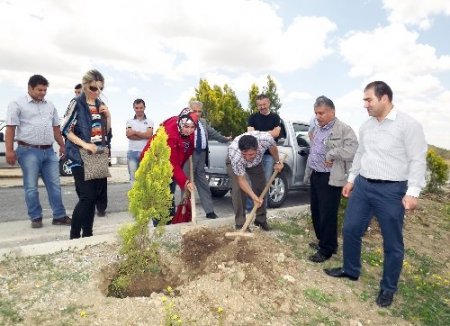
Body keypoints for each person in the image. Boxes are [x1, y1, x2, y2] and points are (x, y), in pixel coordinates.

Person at [324, 81, 427, 308]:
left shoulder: (408, 125)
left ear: (385, 98)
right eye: (364, 100)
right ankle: (351, 270)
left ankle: (388, 288)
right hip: (363, 186)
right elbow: (361, 153)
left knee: (392, 242)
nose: (365, 104)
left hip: (391, 191)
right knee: (350, 229)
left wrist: (413, 192)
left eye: (368, 99)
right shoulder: (366, 126)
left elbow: (418, 160)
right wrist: (351, 180)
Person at [5, 74, 71, 228]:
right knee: (31, 187)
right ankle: (36, 217)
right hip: (28, 151)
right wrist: (9, 150)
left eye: (45, 90)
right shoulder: (17, 104)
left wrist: (62, 144)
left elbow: (56, 127)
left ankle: (59, 216)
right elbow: (10, 128)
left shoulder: (50, 105)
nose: (42, 93)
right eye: (39, 90)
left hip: (49, 152)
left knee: (55, 185)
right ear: (29, 88)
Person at [304, 96, 358, 263]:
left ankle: (326, 250)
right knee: (317, 211)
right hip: (316, 174)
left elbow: (353, 149)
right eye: (316, 113)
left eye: (321, 113)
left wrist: (332, 154)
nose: (317, 116)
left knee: (328, 214)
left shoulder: (343, 129)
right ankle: (325, 242)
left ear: (332, 112)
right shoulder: (317, 127)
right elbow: (313, 140)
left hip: (330, 177)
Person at [61, 69, 112, 239]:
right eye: (93, 88)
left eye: (100, 89)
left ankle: (88, 235)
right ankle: (74, 237)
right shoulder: (76, 103)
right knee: (87, 197)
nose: (97, 92)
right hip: (79, 156)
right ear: (84, 86)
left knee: (93, 199)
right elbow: (65, 129)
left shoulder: (100, 106)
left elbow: (107, 134)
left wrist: (108, 117)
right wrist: (85, 145)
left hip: (97, 156)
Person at [140, 107, 197, 223]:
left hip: (170, 166)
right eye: (186, 127)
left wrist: (189, 151)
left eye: (192, 127)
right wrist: (185, 182)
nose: (189, 130)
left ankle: (169, 224)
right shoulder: (171, 136)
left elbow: (189, 147)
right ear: (181, 123)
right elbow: (173, 164)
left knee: (169, 197)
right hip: (155, 165)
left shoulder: (186, 124)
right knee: (160, 202)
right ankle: (160, 229)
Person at [226, 132, 284, 231]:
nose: (248, 158)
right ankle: (240, 223)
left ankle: (260, 220)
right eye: (245, 154)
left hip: (256, 163)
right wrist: (253, 197)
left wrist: (277, 162)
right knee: (238, 189)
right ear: (241, 150)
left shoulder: (266, 140)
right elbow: (241, 180)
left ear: (258, 148)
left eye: (251, 154)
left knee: (261, 188)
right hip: (235, 163)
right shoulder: (235, 154)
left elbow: (273, 148)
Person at [184, 100, 231, 219]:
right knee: (186, 185)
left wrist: (226, 139)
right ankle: (185, 213)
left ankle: (209, 211)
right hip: (189, 156)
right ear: (189, 110)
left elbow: (213, 134)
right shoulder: (184, 122)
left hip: (202, 156)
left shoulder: (203, 122)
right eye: (195, 111)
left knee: (203, 184)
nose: (197, 113)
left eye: (199, 111)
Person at [73, 83, 110, 216]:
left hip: (98, 147)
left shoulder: (100, 105)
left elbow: (107, 129)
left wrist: (108, 116)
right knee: (82, 182)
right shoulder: (75, 107)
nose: (78, 95)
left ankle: (101, 208)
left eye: (80, 92)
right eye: (76, 93)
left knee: (100, 180)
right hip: (79, 149)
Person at [247, 94, 281, 209]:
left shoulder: (275, 117)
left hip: (269, 155)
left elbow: (276, 133)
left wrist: (259, 133)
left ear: (269, 103)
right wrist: (269, 133)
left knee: (264, 183)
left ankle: (261, 210)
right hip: (254, 154)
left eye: (264, 104)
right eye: (259, 105)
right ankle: (250, 209)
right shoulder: (252, 117)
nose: (262, 107)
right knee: (252, 181)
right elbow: (251, 133)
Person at [126, 99, 154, 184]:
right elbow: (129, 135)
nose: (139, 110)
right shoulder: (129, 122)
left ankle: (144, 197)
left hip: (146, 153)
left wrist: (135, 132)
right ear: (134, 108)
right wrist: (143, 135)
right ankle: (135, 197)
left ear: (144, 108)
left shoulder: (149, 122)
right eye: (137, 108)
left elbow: (149, 135)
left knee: (146, 178)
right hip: (132, 153)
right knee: (133, 178)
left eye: (141, 107)